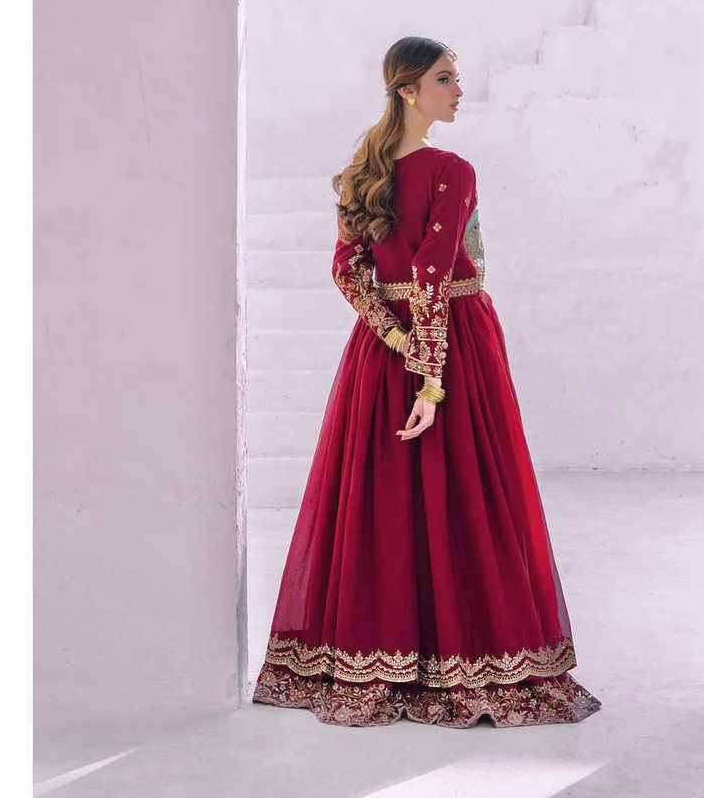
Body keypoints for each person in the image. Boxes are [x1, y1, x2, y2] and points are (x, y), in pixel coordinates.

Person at [251, 36, 602, 728]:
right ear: (409, 89)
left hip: (381, 349)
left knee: (384, 499)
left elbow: (348, 270)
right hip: (453, 344)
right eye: (445, 79)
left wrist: (393, 337)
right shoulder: (451, 170)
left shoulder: (363, 170)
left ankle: (380, 658)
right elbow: (434, 273)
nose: (458, 91)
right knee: (465, 494)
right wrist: (431, 378)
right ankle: (465, 659)